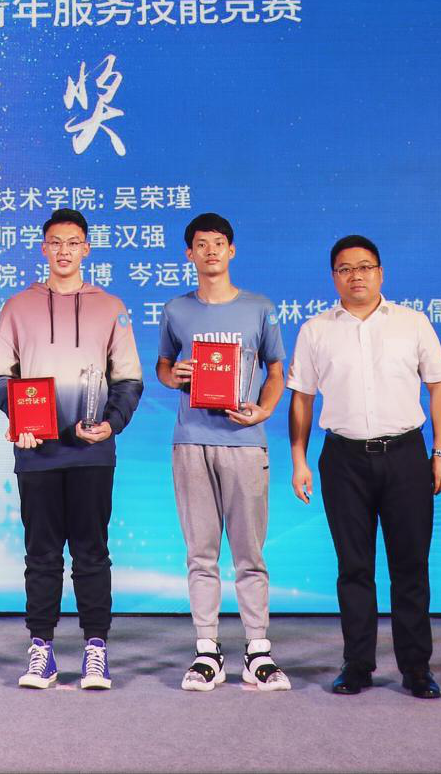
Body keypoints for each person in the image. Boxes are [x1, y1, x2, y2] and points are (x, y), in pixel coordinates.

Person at [286, 235, 441, 699]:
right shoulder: (316, 330)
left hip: (405, 457)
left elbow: (439, 387)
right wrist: (299, 460)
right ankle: (357, 664)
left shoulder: (412, 323)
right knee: (353, 567)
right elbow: (302, 399)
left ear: (380, 273)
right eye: (345, 269)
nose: (355, 276)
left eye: (364, 267)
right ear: (333, 277)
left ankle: (416, 668)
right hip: (343, 460)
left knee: (410, 566)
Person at [0, 208, 143, 690]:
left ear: (87, 249)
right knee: (41, 553)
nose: (64, 251)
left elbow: (129, 378)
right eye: (55, 242)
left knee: (92, 552)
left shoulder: (110, 306)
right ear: (43, 248)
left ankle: (96, 649)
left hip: (92, 452)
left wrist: (111, 424)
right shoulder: (18, 306)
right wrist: (22, 421)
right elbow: (0, 378)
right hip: (36, 452)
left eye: (73, 242)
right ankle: (42, 650)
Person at [155, 213, 290, 692]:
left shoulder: (259, 308)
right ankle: (207, 650)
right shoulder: (176, 310)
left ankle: (257, 650)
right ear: (189, 254)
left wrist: (263, 411)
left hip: (244, 442)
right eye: (201, 244)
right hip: (191, 440)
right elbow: (163, 368)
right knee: (201, 553)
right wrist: (175, 375)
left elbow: (276, 370)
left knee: (250, 553)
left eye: (218, 243)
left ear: (232, 251)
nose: (210, 251)